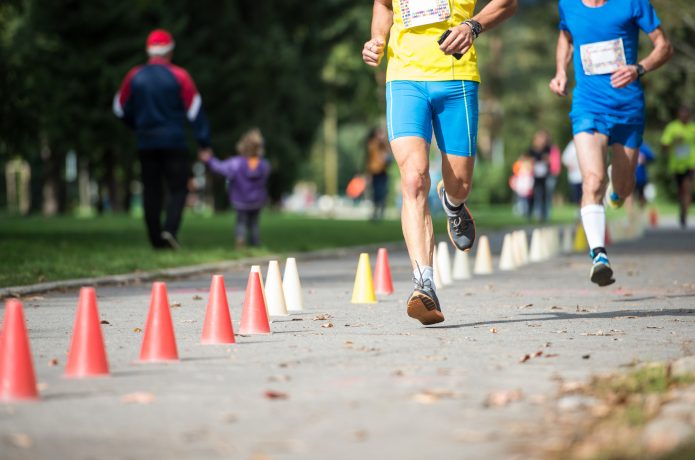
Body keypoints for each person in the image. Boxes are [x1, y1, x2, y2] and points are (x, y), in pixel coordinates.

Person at [363, 0, 517, 325]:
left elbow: (508, 3)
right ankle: (424, 284)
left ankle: (454, 204)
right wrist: (378, 37)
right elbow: (382, 5)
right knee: (413, 179)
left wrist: (473, 26)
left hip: (456, 75)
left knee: (460, 183)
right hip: (403, 77)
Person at [549, 0, 672, 287]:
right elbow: (566, 37)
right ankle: (599, 256)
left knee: (624, 186)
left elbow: (664, 46)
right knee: (592, 181)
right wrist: (560, 71)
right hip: (588, 106)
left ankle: (617, 193)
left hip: (628, 108)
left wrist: (638, 68)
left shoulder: (632, 3)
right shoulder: (568, 5)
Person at [114, 29, 212, 249]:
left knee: (152, 190)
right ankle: (170, 229)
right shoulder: (180, 76)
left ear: (149, 51)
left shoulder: (135, 75)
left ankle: (156, 239)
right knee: (178, 188)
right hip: (174, 141)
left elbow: (119, 108)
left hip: (146, 141)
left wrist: (136, 125)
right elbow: (195, 110)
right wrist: (204, 142)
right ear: (170, 51)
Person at [200, 128, 270, 249]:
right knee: (254, 223)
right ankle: (255, 243)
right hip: (257, 201)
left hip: (240, 200)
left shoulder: (236, 163)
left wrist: (209, 160)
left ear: (243, 147)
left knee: (241, 222)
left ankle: (240, 240)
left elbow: (220, 167)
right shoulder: (263, 165)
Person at [661, 106, 695, 228]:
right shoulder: (672, 128)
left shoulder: (692, 128)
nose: (684, 118)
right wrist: (674, 141)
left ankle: (684, 214)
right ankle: (682, 208)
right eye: (681, 115)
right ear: (678, 116)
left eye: (686, 116)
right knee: (680, 191)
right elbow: (664, 146)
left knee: (686, 189)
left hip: (690, 165)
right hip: (675, 165)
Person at [365, 127, 392, 220]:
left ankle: (381, 212)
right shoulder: (373, 144)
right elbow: (370, 159)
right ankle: (376, 212)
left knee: (383, 192)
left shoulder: (384, 146)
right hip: (375, 172)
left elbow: (389, 158)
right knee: (376, 193)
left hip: (383, 172)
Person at [528, 130, 552, 222]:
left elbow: (550, 160)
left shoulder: (547, 149)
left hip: (544, 176)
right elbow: (527, 159)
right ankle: (530, 214)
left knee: (544, 196)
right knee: (533, 195)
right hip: (534, 176)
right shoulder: (532, 149)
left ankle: (543, 215)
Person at [633, 142, 655, 208]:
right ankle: (631, 215)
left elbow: (652, 157)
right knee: (629, 195)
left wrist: (645, 159)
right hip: (630, 176)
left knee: (641, 196)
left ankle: (640, 213)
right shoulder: (627, 144)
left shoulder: (643, 147)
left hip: (641, 177)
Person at [561, 140, 583, 205]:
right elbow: (565, 159)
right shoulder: (572, 145)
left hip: (585, 176)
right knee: (577, 194)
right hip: (575, 176)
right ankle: (580, 209)